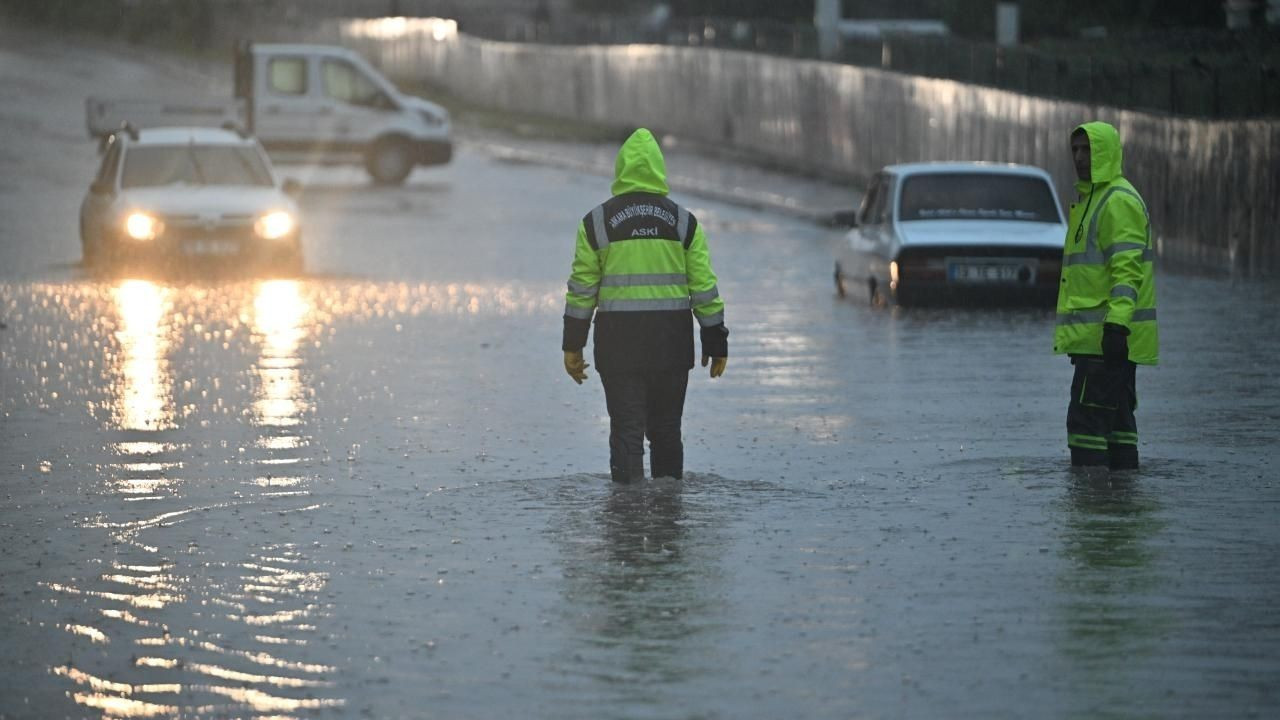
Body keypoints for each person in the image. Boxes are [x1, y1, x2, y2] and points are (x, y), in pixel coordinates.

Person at [562, 128, 728, 483]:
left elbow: (581, 290)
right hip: (670, 345)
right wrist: (716, 342)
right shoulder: (684, 223)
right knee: (667, 431)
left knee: (626, 431)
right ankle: (669, 516)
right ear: (658, 169)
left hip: (619, 346)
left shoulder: (596, 223)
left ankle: (627, 520)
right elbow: (704, 288)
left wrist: (572, 345)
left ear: (620, 169)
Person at [1054, 121, 1158, 470]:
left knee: (1084, 430)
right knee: (1117, 429)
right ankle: (1121, 510)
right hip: (1102, 341)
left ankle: (1092, 517)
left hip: (1107, 341)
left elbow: (1127, 272)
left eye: (1088, 150)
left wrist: (1116, 327)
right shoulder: (1093, 200)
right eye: (1076, 150)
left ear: (1107, 152)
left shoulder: (1117, 201)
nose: (1080, 158)